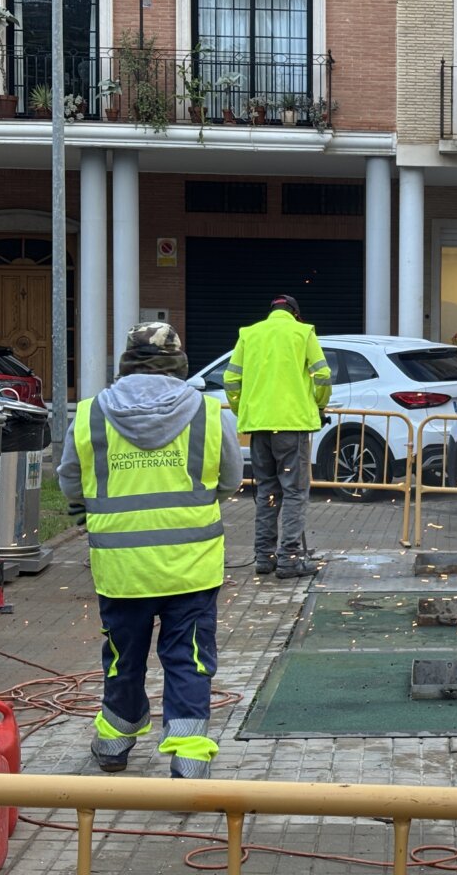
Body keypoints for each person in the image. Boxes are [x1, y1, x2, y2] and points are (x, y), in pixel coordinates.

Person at [57, 322, 242, 779]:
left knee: (123, 654)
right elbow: (231, 480)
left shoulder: (89, 414)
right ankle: (190, 756)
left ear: (125, 360)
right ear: (179, 362)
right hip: (191, 566)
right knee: (190, 656)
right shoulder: (210, 412)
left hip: (121, 567)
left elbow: (69, 483)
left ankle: (116, 738)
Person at [223, 295, 332, 579]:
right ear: (296, 314)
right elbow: (322, 375)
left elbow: (231, 380)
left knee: (267, 491)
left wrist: (242, 408)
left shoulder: (249, 334)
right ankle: (289, 558)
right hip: (292, 427)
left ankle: (264, 557)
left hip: (259, 427)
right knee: (295, 492)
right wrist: (319, 405)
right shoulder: (303, 331)